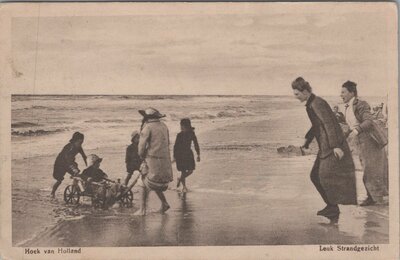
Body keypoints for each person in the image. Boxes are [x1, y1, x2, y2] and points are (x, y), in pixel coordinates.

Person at [292, 77, 357, 218]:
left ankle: (333, 208)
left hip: (331, 147)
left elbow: (329, 124)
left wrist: (335, 147)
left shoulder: (317, 103)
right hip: (325, 146)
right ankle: (332, 207)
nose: (295, 97)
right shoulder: (311, 103)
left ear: (304, 91)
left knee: (320, 176)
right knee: (316, 176)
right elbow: (316, 125)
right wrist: (307, 141)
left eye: (297, 94)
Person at [340, 81, 388, 206]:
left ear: (352, 92)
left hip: (370, 140)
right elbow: (352, 125)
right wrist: (344, 137)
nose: (341, 95)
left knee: (371, 169)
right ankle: (373, 197)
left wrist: (356, 131)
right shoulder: (347, 107)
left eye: (343, 92)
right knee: (368, 168)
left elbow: (368, 121)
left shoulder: (361, 104)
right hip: (361, 141)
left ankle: (375, 199)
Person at [135, 107, 173, 215]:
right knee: (155, 181)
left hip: (153, 160)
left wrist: (142, 157)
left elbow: (141, 148)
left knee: (142, 182)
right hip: (165, 163)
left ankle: (142, 210)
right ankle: (164, 203)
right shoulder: (164, 126)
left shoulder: (148, 127)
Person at [51, 132, 87, 198]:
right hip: (60, 163)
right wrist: (73, 168)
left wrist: (88, 165)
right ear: (75, 141)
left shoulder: (79, 147)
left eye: (82, 143)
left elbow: (84, 156)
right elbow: (67, 158)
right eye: (79, 142)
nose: (80, 144)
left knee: (76, 174)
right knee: (59, 180)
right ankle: (52, 192)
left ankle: (74, 189)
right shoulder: (70, 147)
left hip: (69, 163)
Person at [173, 118, 200, 192]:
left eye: (182, 126)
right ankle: (184, 187)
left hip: (188, 154)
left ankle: (180, 179)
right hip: (180, 154)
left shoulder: (191, 133)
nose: (181, 127)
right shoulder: (179, 135)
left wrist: (198, 154)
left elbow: (196, 144)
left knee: (191, 170)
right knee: (183, 171)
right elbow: (175, 146)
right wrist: (174, 156)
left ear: (187, 126)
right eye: (181, 125)